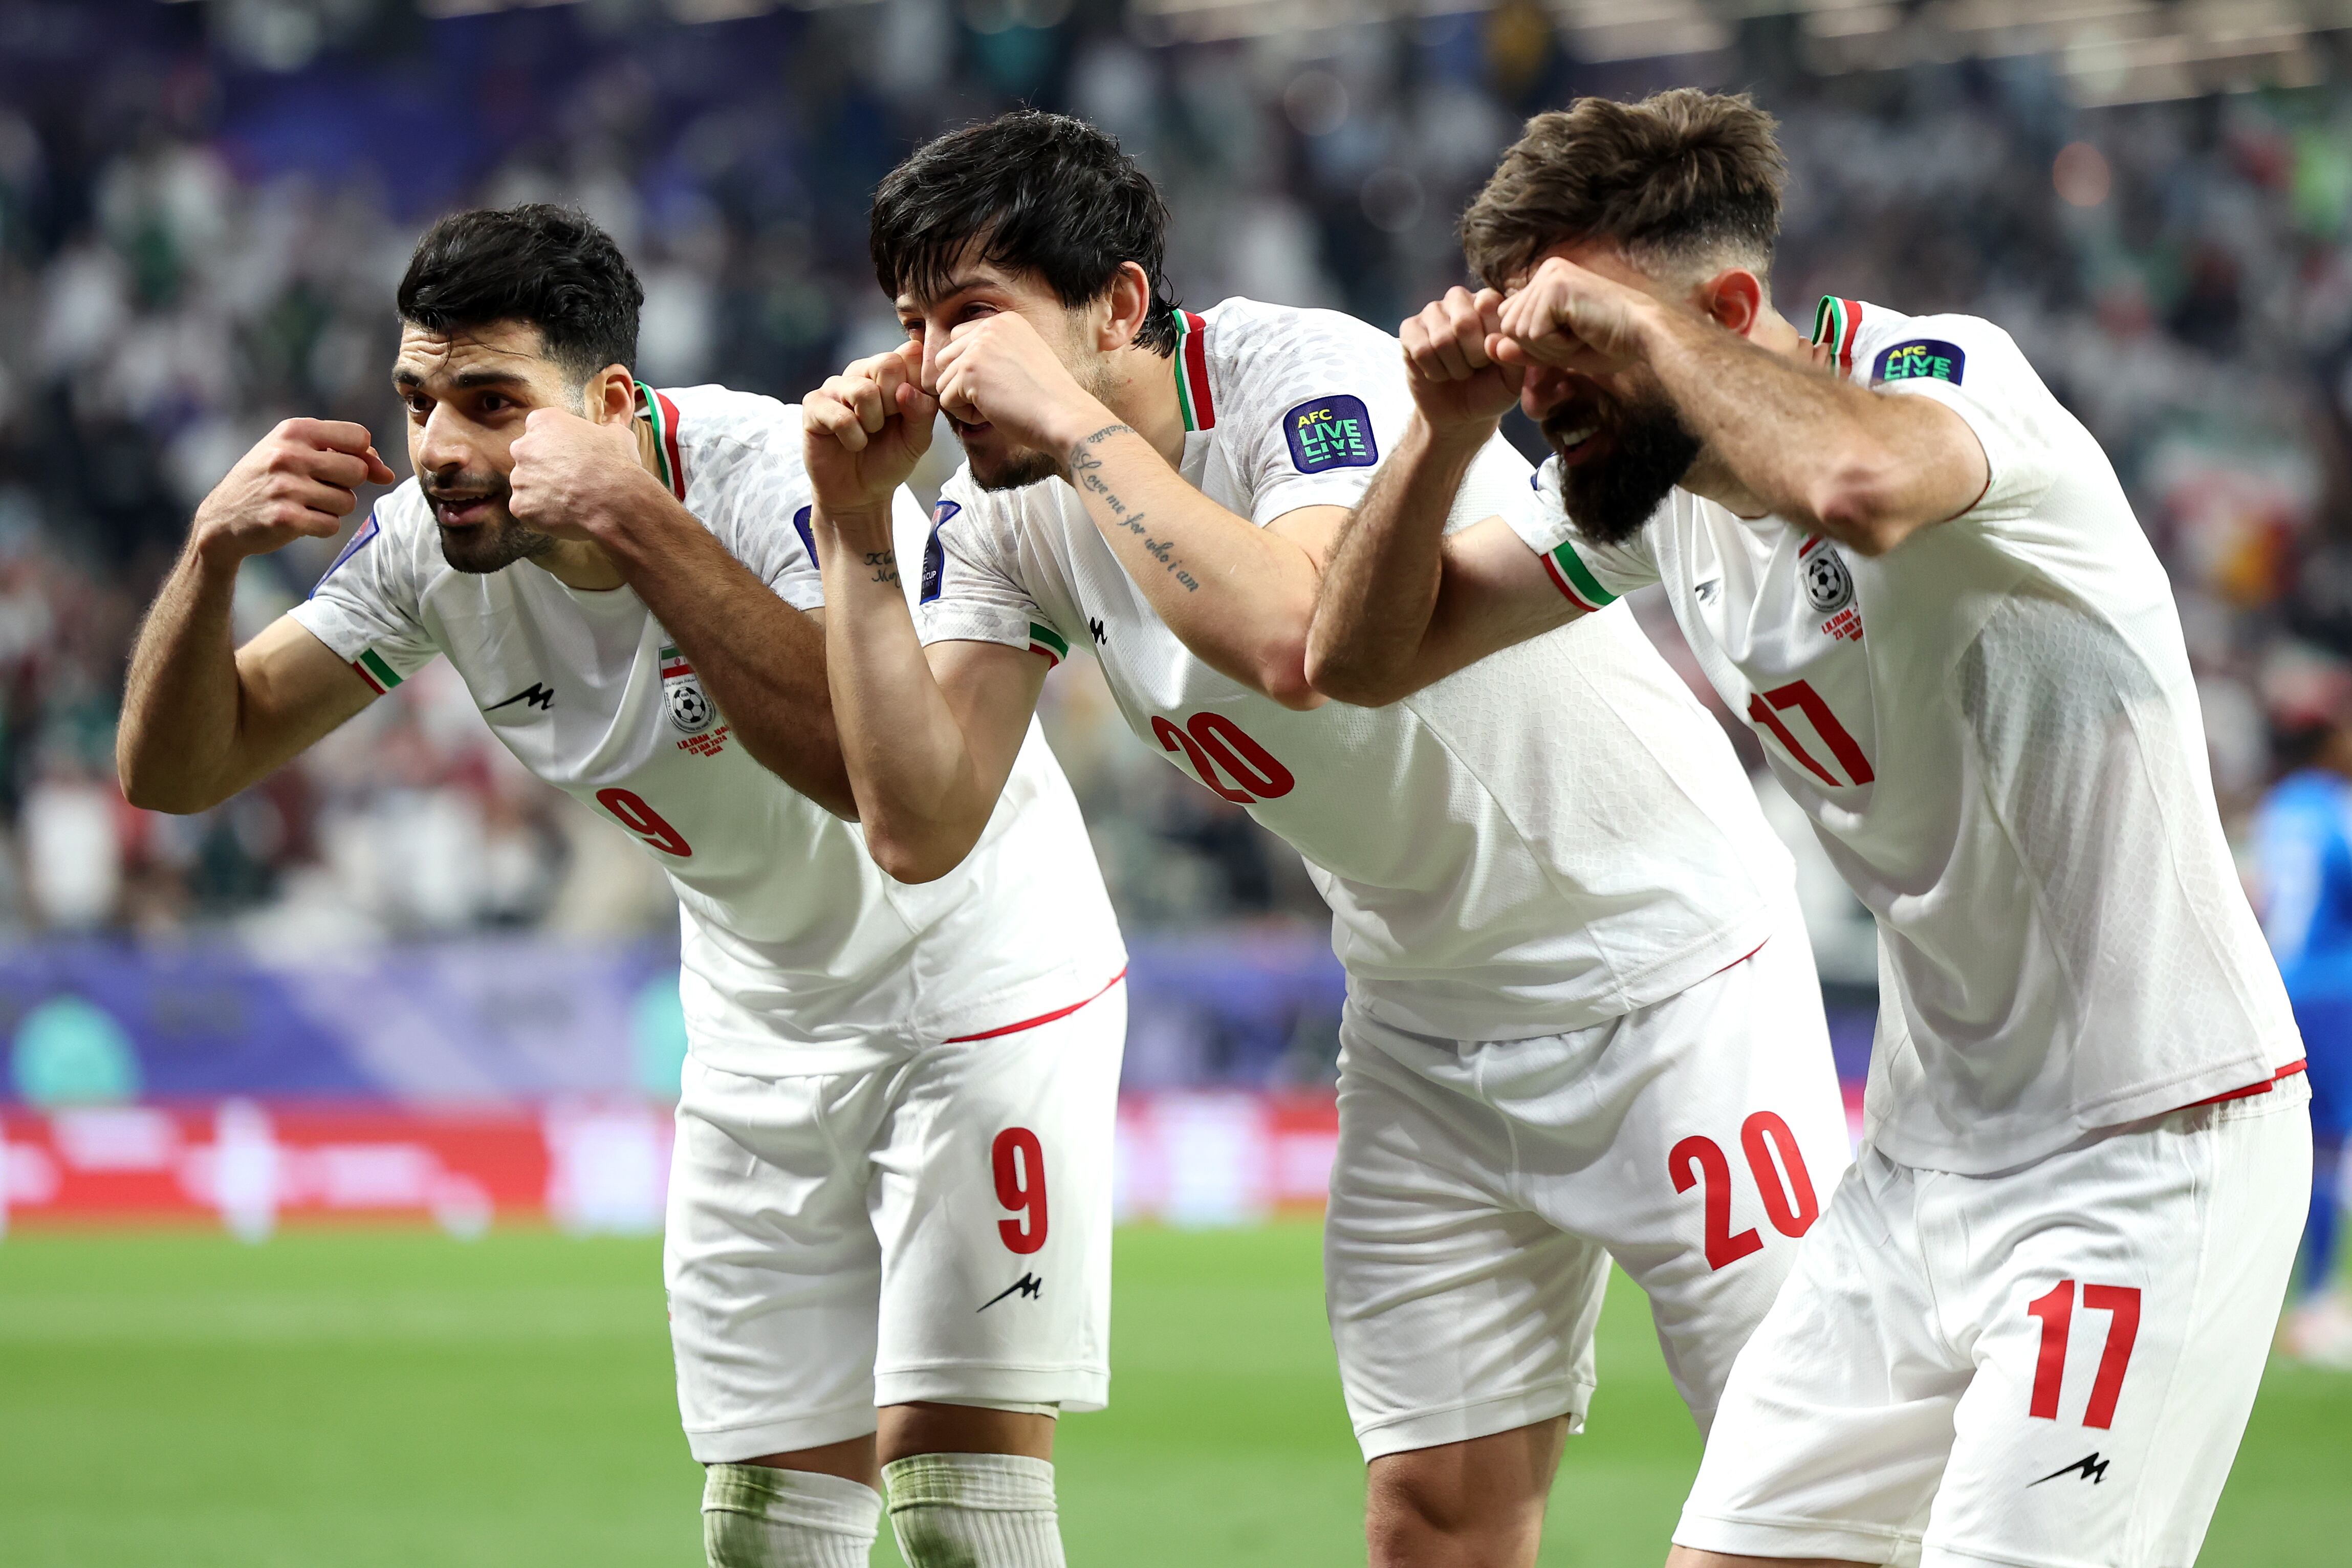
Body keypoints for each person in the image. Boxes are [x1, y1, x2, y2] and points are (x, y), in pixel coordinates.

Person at [802, 110, 1849, 1567]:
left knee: (1808, 1486)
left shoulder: (1305, 376)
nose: (936, 366)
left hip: (1669, 974)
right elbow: (920, 823)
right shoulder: (1001, 515)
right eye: (912, 326)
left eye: (973, 316)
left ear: (1117, 303)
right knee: (1432, 1518)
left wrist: (1077, 432)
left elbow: (1303, 641)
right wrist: (856, 530)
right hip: (1425, 1022)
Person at [1306, 89, 2312, 1568]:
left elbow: (1860, 484)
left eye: (1577, 345)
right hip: (1917, 1166)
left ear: (1723, 310)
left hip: (2147, 1146)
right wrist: (1442, 437)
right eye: (1533, 356)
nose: (1544, 395)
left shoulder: (1940, 377)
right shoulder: (1658, 495)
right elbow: (1357, 658)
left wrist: (1645, 340)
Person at [114, 204, 1127, 1568]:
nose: (441, 449)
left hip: (978, 985)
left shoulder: (779, 476)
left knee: (959, 1505)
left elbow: (863, 775)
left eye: (491, 403)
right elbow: (180, 770)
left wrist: (633, 519)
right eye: (419, 402)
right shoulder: (429, 542)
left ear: (606, 405)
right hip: (759, 1020)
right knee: (766, 1531)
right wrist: (208, 557)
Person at [2254, 698, 2352, 1366]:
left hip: (2280, 985)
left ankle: (2271, 1300)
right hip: (2334, 989)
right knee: (2327, 1152)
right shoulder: (2335, 807)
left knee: (2292, 1148)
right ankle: (2315, 1304)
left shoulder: (2277, 809)